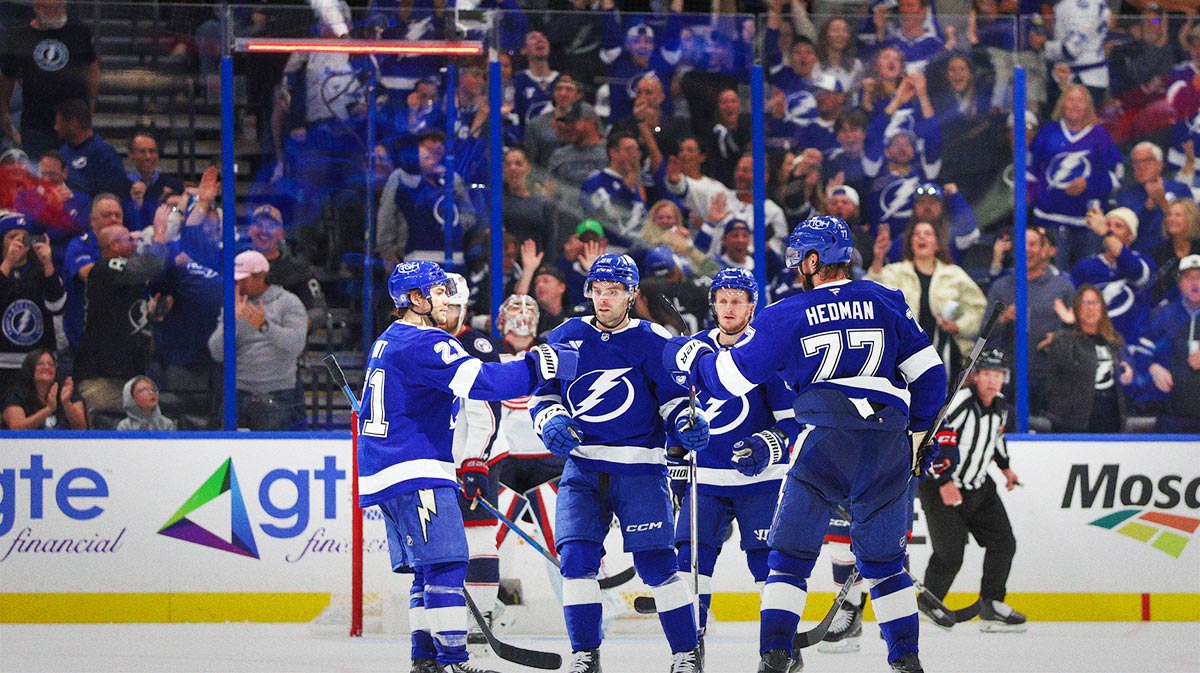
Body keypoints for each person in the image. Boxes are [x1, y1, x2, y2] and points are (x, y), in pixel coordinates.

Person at [663, 215, 947, 673]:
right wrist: (919, 433)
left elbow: (729, 381)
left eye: (799, 257)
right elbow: (931, 376)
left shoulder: (786, 313)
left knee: (789, 559)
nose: (796, 265)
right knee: (887, 564)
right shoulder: (887, 297)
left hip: (827, 443)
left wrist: (696, 361)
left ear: (814, 260)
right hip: (889, 441)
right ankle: (905, 661)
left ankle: (775, 655)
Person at [357, 261, 577, 673]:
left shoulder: (388, 340)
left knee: (426, 570)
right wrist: (538, 365)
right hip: (415, 469)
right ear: (416, 299)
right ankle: (455, 662)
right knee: (447, 564)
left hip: (389, 470)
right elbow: (489, 384)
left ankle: (425, 661)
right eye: (438, 292)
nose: (447, 298)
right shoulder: (426, 343)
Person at [529, 253, 707, 673]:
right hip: (583, 469)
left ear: (631, 295)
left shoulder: (654, 340)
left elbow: (675, 404)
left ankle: (686, 653)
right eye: (598, 290)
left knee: (658, 564)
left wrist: (686, 422)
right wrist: (549, 418)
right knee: (575, 562)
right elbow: (543, 394)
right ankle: (585, 655)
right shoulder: (566, 335)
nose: (603, 299)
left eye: (613, 291)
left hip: (640, 469)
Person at [673, 267, 801, 665]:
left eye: (737, 300)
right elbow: (674, 410)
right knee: (692, 564)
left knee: (767, 563)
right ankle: (690, 649)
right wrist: (674, 457)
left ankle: (778, 649)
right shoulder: (694, 348)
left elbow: (792, 420)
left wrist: (769, 445)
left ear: (752, 306)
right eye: (723, 299)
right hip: (705, 480)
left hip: (759, 482)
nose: (729, 307)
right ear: (713, 303)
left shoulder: (766, 349)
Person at [919, 349, 1026, 633]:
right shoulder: (961, 403)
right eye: (987, 374)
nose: (993, 381)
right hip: (941, 488)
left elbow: (996, 438)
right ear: (976, 376)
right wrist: (944, 481)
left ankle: (991, 604)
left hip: (980, 489)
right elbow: (937, 438)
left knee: (1004, 543)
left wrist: (1005, 468)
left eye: (998, 375)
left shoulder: (1001, 406)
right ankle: (928, 604)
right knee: (950, 555)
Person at [439, 273, 505, 647]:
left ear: (464, 309)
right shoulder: (424, 342)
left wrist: (473, 462)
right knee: (440, 543)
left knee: (479, 536)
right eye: (441, 305)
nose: (445, 313)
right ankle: (444, 620)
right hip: (436, 462)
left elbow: (485, 414)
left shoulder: (474, 346)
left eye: (452, 307)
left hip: (473, 461)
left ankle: (482, 619)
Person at [868, 220, 987, 387]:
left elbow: (978, 308)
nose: (921, 237)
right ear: (910, 243)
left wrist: (958, 326)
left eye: (927, 233)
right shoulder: (894, 272)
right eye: (917, 234)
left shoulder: (954, 274)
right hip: (903, 357)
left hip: (947, 359)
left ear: (937, 244)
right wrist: (878, 259)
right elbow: (868, 297)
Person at [207, 250, 308, 431]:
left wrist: (265, 327)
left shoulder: (288, 302)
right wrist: (231, 322)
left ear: (261, 276)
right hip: (237, 393)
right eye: (235, 280)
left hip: (276, 394)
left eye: (243, 280)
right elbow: (217, 353)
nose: (237, 284)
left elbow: (296, 344)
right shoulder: (232, 304)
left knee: (272, 456)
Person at [1028, 84, 1122, 271]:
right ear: (1062, 103)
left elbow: (1117, 175)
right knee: (1052, 278)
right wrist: (1035, 200)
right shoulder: (1048, 132)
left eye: (1080, 101)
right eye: (1070, 99)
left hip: (1088, 224)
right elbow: (1030, 171)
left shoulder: (1100, 136)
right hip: (1050, 220)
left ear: (1088, 106)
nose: (1075, 105)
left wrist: (1089, 184)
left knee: (1088, 279)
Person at [0, 0, 100, 159]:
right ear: (37, 8)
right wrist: (4, 112)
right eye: (53, 9)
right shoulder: (19, 36)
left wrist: (91, 101)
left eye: (61, 7)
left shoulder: (79, 31)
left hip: (74, 120)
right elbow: (7, 78)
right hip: (37, 122)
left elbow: (92, 68)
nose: (59, 13)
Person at [1038, 284, 1133, 433]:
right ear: (1076, 309)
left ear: (1103, 308)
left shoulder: (1114, 340)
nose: (1090, 309)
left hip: (1110, 419)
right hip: (1074, 423)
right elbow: (1063, 363)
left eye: (1095, 303)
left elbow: (1126, 365)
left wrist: (1128, 370)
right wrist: (1069, 325)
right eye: (1084, 303)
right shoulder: (1064, 339)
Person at [1071, 206, 1157, 345]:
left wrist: (1105, 233)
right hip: (1090, 342)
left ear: (1131, 235)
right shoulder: (1085, 265)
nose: (1111, 229)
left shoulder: (1144, 262)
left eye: (1118, 226)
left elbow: (1134, 269)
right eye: (1108, 224)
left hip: (1129, 342)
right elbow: (1073, 302)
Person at [1135, 254, 1200, 433]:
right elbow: (1139, 353)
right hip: (1171, 415)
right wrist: (1153, 367)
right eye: (1189, 277)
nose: (1195, 283)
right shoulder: (1163, 314)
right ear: (1179, 282)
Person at [0, 210, 63, 394]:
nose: (19, 242)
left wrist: (48, 264)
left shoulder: (42, 270)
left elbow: (57, 306)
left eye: (24, 238)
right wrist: (8, 263)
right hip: (3, 363)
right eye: (12, 237)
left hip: (37, 363)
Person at [1, 348, 85, 429]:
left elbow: (81, 428)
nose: (47, 367)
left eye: (51, 364)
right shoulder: (16, 394)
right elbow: (16, 428)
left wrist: (67, 403)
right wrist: (48, 410)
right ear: (30, 368)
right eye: (41, 363)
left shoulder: (66, 390)